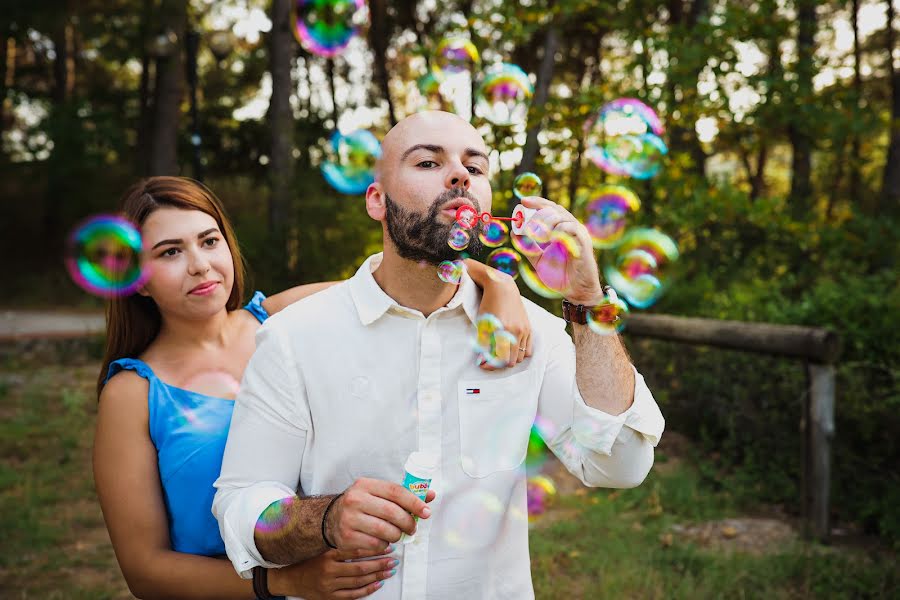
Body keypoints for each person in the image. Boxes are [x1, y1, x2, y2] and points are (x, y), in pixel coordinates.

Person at [213, 111, 665, 599]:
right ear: (376, 200)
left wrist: (587, 297)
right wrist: (325, 518)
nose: (460, 175)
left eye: (476, 166)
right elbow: (243, 505)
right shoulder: (294, 339)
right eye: (428, 162)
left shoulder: (533, 333)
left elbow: (621, 466)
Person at [92, 176, 533, 600]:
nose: (200, 264)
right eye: (170, 252)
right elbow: (145, 570)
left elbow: (410, 270)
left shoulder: (287, 320)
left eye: (209, 241)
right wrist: (283, 584)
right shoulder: (133, 393)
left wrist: (497, 282)